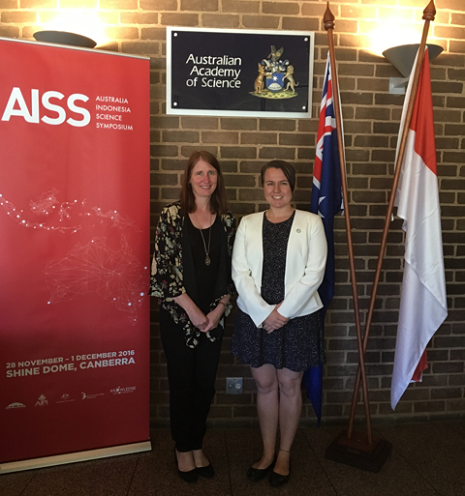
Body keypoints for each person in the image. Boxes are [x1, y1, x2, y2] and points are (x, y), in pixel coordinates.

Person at [231, 160, 327, 487]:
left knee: (289, 385)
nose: (276, 190)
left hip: (296, 319)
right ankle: (267, 451)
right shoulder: (247, 224)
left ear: (293, 186)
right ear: (262, 187)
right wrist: (264, 314)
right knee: (265, 385)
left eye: (282, 183)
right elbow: (239, 273)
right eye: (270, 183)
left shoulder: (312, 223)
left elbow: (314, 274)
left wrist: (282, 313)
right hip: (257, 319)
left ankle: (284, 453)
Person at [149, 151, 235, 483]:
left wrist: (216, 311)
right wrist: (194, 312)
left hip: (214, 320)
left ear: (217, 178)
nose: (205, 179)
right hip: (179, 318)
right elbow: (162, 273)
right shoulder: (172, 215)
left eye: (211, 173)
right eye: (199, 173)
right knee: (182, 384)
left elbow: (233, 272)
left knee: (205, 386)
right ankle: (182, 447)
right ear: (189, 178)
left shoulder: (227, 220)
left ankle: (197, 443)